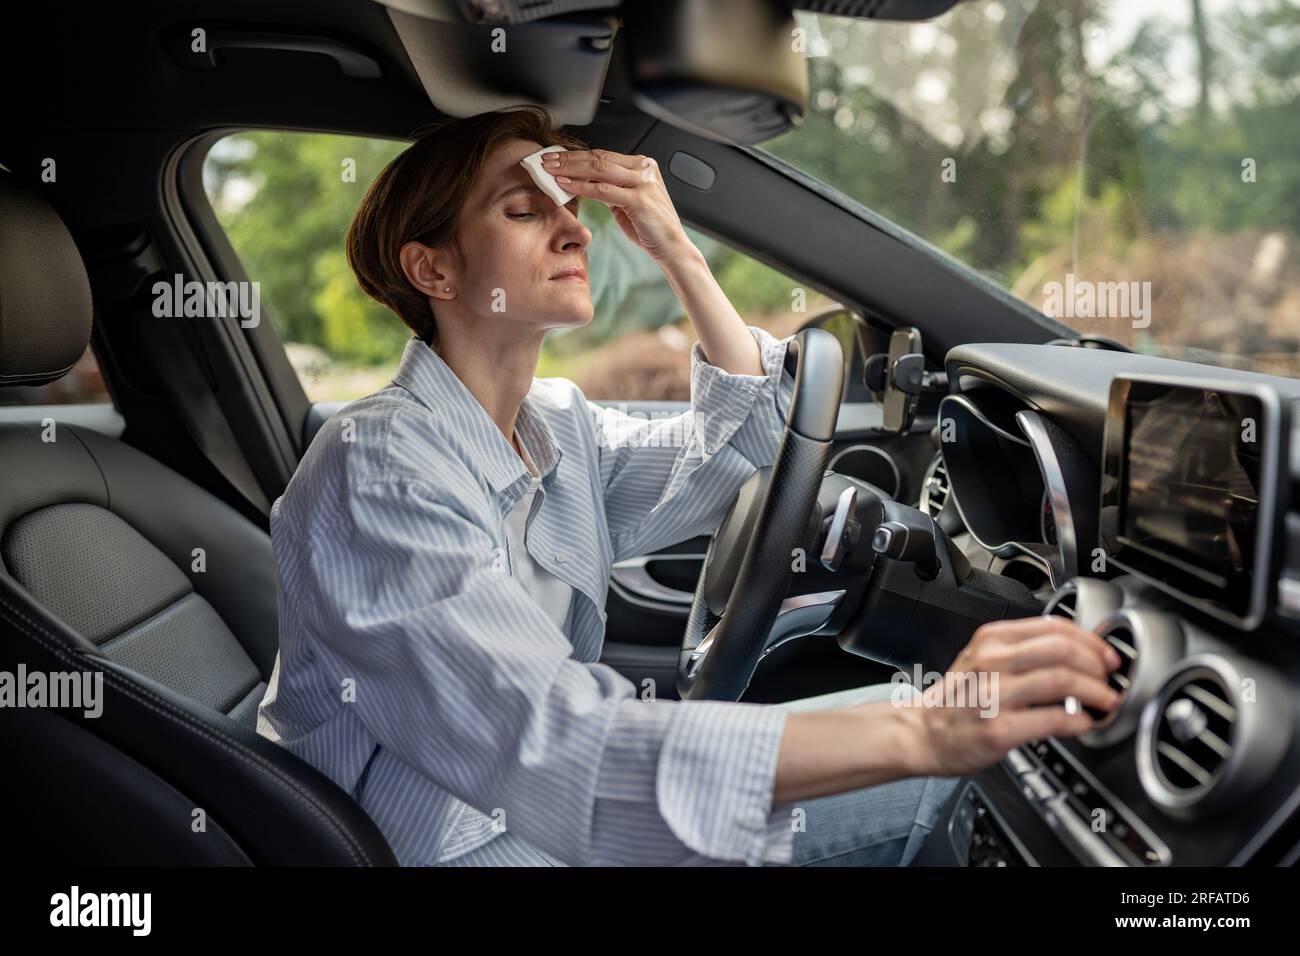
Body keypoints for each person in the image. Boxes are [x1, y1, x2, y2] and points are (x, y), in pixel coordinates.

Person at [256, 106, 1121, 867]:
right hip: (465, 844)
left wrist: (677, 249)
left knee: (950, 735)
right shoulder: (378, 472)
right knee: (968, 770)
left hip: (535, 816)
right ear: (435, 272)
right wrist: (926, 734)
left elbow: (734, 451)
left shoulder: (553, 427)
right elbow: (557, 748)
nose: (575, 232)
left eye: (573, 210)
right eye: (524, 211)